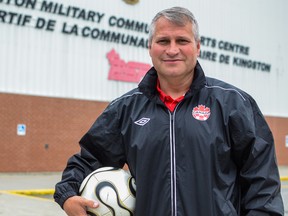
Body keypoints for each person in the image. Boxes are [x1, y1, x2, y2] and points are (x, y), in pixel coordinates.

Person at [54, 6, 284, 216]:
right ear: (150, 48)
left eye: (182, 40)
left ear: (198, 47)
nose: (172, 50)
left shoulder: (234, 104)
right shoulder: (126, 109)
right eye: (163, 41)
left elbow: (263, 185)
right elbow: (89, 159)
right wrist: (67, 195)